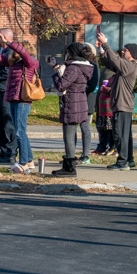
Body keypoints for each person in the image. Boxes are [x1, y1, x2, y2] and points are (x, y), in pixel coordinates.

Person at [0, 29, 39, 173]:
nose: (14, 51)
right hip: (13, 98)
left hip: (23, 99)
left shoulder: (31, 62)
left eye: (17, 49)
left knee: (19, 131)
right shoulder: (14, 63)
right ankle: (29, 160)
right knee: (20, 130)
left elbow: (22, 53)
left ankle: (23, 162)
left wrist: (9, 43)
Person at [95, 33, 137, 170]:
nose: (122, 51)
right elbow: (110, 63)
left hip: (123, 104)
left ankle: (122, 162)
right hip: (122, 104)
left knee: (119, 134)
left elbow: (115, 60)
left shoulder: (130, 66)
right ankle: (129, 160)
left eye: (125, 50)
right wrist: (102, 51)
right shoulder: (126, 67)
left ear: (131, 54)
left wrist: (105, 43)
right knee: (125, 134)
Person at [49, 43, 95, 177]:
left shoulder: (74, 68)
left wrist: (55, 74)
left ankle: (70, 167)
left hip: (72, 103)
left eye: (67, 52)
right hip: (80, 101)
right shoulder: (85, 66)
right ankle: (69, 164)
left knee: (68, 135)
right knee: (71, 133)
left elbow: (61, 85)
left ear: (72, 53)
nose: (66, 55)